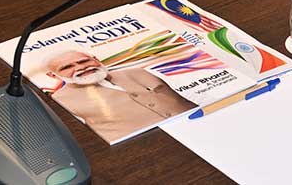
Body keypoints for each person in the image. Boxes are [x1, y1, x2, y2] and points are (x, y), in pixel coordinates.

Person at [46, 50, 194, 143]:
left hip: (195, 125)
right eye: (67, 67)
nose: (80, 67)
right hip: (147, 146)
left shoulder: (138, 72)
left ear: (96, 59)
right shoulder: (59, 101)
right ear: (53, 75)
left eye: (84, 61)